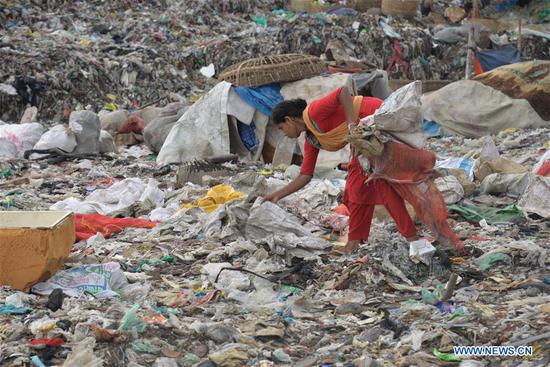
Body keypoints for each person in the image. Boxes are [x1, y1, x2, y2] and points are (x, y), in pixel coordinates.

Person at [264, 86, 419, 255]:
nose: (283, 133)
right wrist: (277, 195)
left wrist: (353, 126)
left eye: (281, 128)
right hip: (362, 137)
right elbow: (305, 175)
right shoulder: (312, 138)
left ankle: (412, 238)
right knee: (357, 188)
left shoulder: (314, 112)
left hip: (374, 120)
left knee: (379, 183)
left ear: (289, 120)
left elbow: (343, 92)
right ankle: (355, 242)